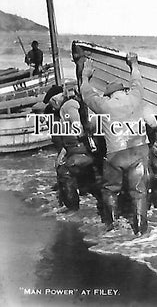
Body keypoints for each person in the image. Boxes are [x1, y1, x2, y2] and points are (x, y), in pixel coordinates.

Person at [80, 53, 150, 235]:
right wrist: (133, 63)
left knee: (110, 189)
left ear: (109, 95)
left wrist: (85, 76)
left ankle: (111, 227)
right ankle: (141, 231)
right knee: (139, 192)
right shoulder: (135, 96)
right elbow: (137, 80)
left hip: (116, 154)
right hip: (139, 150)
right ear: (124, 91)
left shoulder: (104, 105)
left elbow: (86, 94)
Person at [43, 86, 104, 218]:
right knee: (91, 178)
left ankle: (72, 208)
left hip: (83, 149)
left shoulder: (68, 106)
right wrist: (63, 153)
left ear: (54, 99)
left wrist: (81, 133)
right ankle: (99, 200)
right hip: (83, 148)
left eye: (52, 104)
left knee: (64, 172)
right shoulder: (69, 105)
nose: (53, 109)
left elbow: (78, 126)